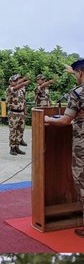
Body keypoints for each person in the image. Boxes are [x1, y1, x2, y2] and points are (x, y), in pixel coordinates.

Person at [44, 58, 84, 237]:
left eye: (76, 73)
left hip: (82, 145)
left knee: (81, 181)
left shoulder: (77, 93)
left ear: (80, 73)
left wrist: (45, 119)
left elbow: (65, 120)